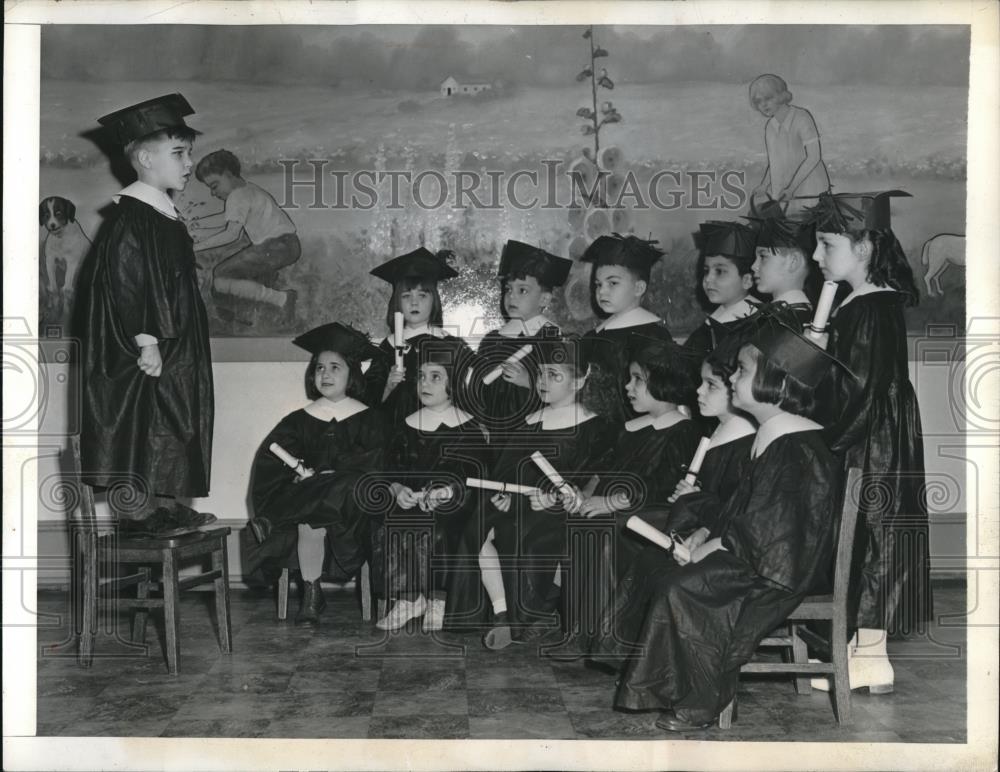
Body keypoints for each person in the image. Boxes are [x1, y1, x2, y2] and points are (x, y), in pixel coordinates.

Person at [589, 312, 850, 732]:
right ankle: (666, 683)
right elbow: (744, 511)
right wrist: (705, 533)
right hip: (763, 555)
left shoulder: (795, 448)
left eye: (742, 372)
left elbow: (771, 533)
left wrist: (710, 549)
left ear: (779, 384)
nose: (731, 379)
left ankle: (701, 700)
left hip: (780, 570)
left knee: (683, 586)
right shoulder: (775, 435)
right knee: (662, 570)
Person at [805, 189, 932, 693]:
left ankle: (873, 655)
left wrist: (822, 439)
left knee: (874, 534)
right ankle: (861, 652)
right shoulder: (861, 303)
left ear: (863, 248)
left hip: (872, 438)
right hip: (874, 430)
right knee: (861, 538)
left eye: (825, 244)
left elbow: (856, 389)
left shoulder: (872, 307)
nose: (816, 257)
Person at [77, 93, 214, 536]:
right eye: (178, 153)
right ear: (144, 159)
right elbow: (126, 279)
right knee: (139, 419)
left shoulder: (163, 214)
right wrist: (146, 339)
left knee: (170, 417)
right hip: (143, 343)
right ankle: (138, 513)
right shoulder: (132, 217)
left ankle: (164, 501)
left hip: (172, 339)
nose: (189, 163)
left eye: (189, 152)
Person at [545, 333, 703, 659]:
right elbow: (600, 471)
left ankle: (608, 638)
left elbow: (662, 486)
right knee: (580, 524)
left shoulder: (682, 431)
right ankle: (579, 631)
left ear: (664, 384)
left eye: (637, 380)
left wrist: (610, 503)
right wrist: (584, 494)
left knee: (601, 532)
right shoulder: (629, 428)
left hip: (651, 516)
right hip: (615, 508)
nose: (628, 388)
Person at [483, 335, 619, 649]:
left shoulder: (595, 426)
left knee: (534, 538)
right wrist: (502, 494)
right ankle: (502, 612)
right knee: (479, 530)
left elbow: (596, 476)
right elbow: (506, 472)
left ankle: (540, 611)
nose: (543, 382)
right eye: (541, 373)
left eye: (554, 375)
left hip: (563, 509)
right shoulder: (529, 422)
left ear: (579, 380)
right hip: (521, 504)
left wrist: (566, 495)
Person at [246, 322, 387, 625]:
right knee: (313, 517)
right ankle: (311, 595)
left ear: (352, 374)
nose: (325, 374)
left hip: (354, 512)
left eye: (335, 367)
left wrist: (328, 476)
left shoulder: (371, 419)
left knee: (349, 483)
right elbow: (269, 464)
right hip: (320, 512)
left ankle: (276, 518)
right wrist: (293, 476)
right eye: (319, 367)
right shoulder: (298, 420)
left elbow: (376, 466)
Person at [375, 337, 489, 633]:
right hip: (413, 501)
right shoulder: (406, 426)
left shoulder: (468, 428)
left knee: (440, 528)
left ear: (453, 383)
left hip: (456, 504)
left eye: (435, 377)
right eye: (421, 377)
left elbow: (476, 477)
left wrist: (446, 493)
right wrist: (398, 490)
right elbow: (389, 471)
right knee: (395, 522)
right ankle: (409, 598)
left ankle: (440, 598)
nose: (425, 384)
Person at [467, 240, 572, 434]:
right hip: (495, 430)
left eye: (522, 290)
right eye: (508, 289)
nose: (511, 297)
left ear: (544, 299)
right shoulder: (492, 340)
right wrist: (480, 422)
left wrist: (529, 381)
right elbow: (478, 386)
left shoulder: (553, 338)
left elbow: (564, 390)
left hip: (535, 429)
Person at [365, 247, 473, 430]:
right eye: (406, 296)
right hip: (395, 432)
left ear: (435, 300)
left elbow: (465, 392)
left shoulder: (449, 344)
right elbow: (369, 400)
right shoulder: (388, 347)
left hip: (439, 431)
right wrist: (388, 387)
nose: (414, 302)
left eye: (422, 295)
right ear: (396, 302)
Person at [190, 149, 300, 319]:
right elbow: (228, 218)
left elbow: (231, 234)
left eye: (214, 186)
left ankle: (282, 299)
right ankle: (248, 313)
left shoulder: (237, 196)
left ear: (228, 174)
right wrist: (197, 227)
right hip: (288, 245)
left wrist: (195, 247)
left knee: (221, 275)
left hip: (275, 246)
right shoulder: (249, 189)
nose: (213, 193)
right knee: (236, 277)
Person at [580, 234, 672, 423]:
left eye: (612, 283)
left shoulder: (652, 336)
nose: (601, 291)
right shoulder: (592, 337)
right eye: (598, 284)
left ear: (638, 288)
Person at [748, 73, 831, 217]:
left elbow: (814, 157)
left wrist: (792, 188)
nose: (763, 105)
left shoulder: (801, 117)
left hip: (809, 192)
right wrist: (764, 185)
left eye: (768, 98)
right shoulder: (770, 127)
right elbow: (774, 162)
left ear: (781, 96)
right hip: (783, 195)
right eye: (759, 101)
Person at [684, 220, 759, 359]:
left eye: (720, 271)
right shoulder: (709, 326)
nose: (708, 279)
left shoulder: (756, 326)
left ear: (747, 280)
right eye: (706, 271)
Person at [748, 213, 822, 325]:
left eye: (763, 256)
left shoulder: (793, 322)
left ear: (793, 262)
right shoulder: (774, 315)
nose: (753, 266)